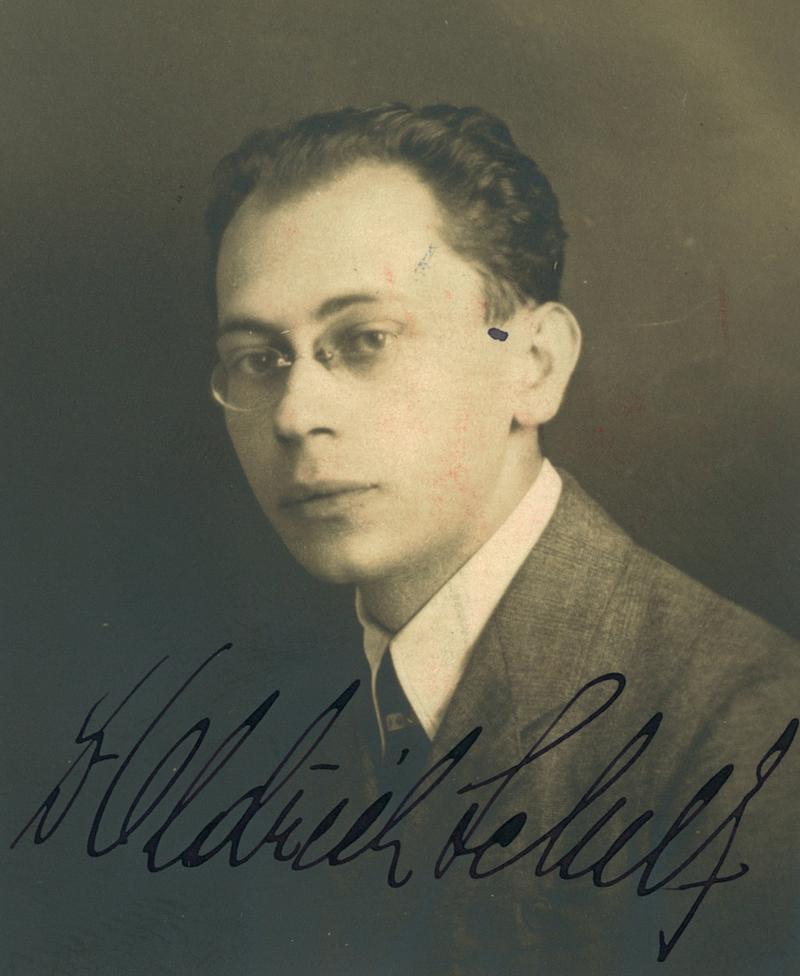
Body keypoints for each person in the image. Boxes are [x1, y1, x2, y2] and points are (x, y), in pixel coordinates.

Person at [205, 104, 798, 975]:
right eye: (260, 358)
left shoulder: (748, 738)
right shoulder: (262, 716)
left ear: (534, 364)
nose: (295, 416)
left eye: (366, 340)